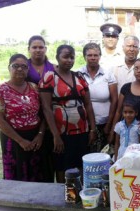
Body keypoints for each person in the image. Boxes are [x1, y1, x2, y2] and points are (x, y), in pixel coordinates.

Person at [39, 45, 97, 183]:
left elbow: (88, 105)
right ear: (57, 58)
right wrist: (55, 135)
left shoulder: (80, 77)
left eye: (72, 57)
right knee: (62, 166)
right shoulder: (49, 77)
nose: (69, 60)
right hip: (61, 133)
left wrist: (92, 129)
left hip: (81, 131)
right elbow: (46, 108)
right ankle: (63, 195)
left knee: (81, 164)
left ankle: (79, 194)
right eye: (65, 57)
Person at [0, 54, 46, 181]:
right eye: (16, 66)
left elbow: (44, 113)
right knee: (17, 174)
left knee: (37, 174)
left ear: (28, 70)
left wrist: (40, 135)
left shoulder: (34, 88)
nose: (20, 69)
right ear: (9, 68)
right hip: (12, 139)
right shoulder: (2, 90)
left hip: (35, 139)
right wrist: (20, 140)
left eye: (24, 66)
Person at [26, 35, 56, 182]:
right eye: (34, 47)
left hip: (50, 115)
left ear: (45, 48)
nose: (38, 50)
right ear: (29, 49)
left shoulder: (53, 68)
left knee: (48, 156)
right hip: (29, 114)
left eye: (41, 47)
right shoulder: (23, 67)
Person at [78, 42, 117, 152]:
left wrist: (109, 124)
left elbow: (114, 100)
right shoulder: (78, 74)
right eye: (89, 55)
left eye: (96, 55)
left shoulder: (107, 74)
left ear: (100, 56)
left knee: (103, 154)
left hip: (104, 123)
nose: (93, 58)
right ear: (84, 57)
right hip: (85, 124)